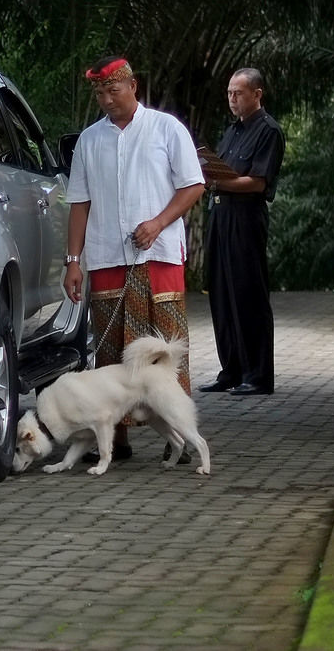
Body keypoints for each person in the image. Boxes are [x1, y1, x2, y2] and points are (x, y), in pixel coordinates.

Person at [62, 55, 207, 460]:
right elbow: (79, 203)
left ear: (134, 86)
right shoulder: (89, 140)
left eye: (114, 90)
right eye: (100, 93)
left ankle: (176, 435)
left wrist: (159, 222)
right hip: (107, 255)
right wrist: (73, 260)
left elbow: (193, 185)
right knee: (112, 352)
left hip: (158, 255)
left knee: (163, 349)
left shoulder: (166, 128)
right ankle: (116, 439)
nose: (107, 99)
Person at [200, 67, 285, 396]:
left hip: (246, 218)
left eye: (239, 93)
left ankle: (258, 375)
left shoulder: (268, 131)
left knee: (248, 294)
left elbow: (258, 181)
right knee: (222, 294)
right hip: (220, 215)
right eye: (229, 93)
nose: (232, 99)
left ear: (257, 94)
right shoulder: (232, 131)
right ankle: (231, 369)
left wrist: (218, 181)